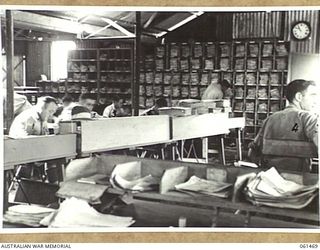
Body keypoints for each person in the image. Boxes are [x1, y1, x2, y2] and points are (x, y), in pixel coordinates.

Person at [248, 79, 318, 172]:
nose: (316, 101)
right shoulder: (308, 118)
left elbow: (252, 153)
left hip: (271, 178)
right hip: (299, 180)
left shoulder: (270, 119)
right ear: (299, 97)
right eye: (312, 96)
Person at [9, 96, 61, 184]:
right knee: (52, 158)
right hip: (19, 150)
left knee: (56, 157)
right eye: (50, 111)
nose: (51, 115)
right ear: (41, 108)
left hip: (33, 150)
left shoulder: (41, 117)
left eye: (53, 112)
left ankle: (54, 185)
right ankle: (24, 184)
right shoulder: (29, 117)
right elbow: (22, 139)